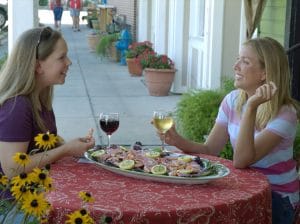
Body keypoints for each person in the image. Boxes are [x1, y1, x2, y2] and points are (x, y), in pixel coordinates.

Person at [160, 37, 299, 224]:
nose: (236, 66)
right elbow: (211, 149)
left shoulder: (285, 114)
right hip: (243, 190)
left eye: (245, 61)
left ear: (264, 74)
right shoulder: (232, 100)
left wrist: (250, 108)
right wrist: (177, 140)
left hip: (277, 199)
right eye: (237, 59)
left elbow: (242, 160)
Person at [0, 26, 95, 179]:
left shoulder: (40, 98)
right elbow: (12, 168)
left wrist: (69, 146)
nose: (69, 62)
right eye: (61, 57)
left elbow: (39, 149)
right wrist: (65, 150)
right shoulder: (16, 107)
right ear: (38, 66)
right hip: (17, 200)